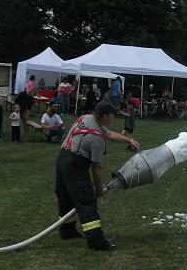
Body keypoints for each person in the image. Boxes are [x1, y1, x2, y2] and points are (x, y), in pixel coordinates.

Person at [56, 101, 140, 251]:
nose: (114, 118)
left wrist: (129, 140)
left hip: (62, 159)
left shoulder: (86, 118)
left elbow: (108, 133)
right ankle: (96, 241)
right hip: (75, 163)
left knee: (65, 197)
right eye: (113, 115)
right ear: (105, 116)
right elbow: (97, 168)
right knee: (86, 201)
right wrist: (99, 188)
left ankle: (67, 231)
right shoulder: (96, 139)